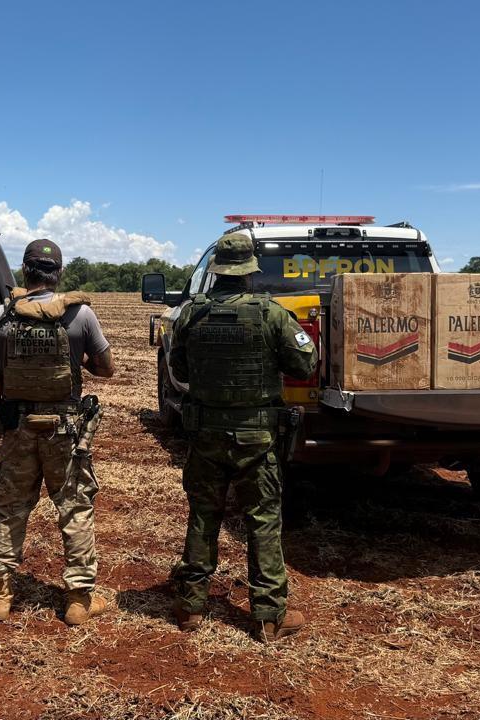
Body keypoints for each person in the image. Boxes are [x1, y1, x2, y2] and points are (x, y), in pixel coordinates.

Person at [167, 231, 319, 642]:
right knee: (264, 521)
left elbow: (178, 370)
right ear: (250, 271)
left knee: (203, 517)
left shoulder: (191, 314)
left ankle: (189, 607)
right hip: (258, 438)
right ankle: (269, 616)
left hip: (206, 434)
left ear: (216, 270)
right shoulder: (271, 314)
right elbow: (306, 364)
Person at [0, 238, 117, 626]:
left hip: (18, 428)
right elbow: (107, 368)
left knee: (9, 509)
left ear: (24, 270)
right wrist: (80, 360)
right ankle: (77, 600)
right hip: (66, 431)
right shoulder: (81, 315)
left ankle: (1, 596)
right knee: (75, 509)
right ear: (60, 273)